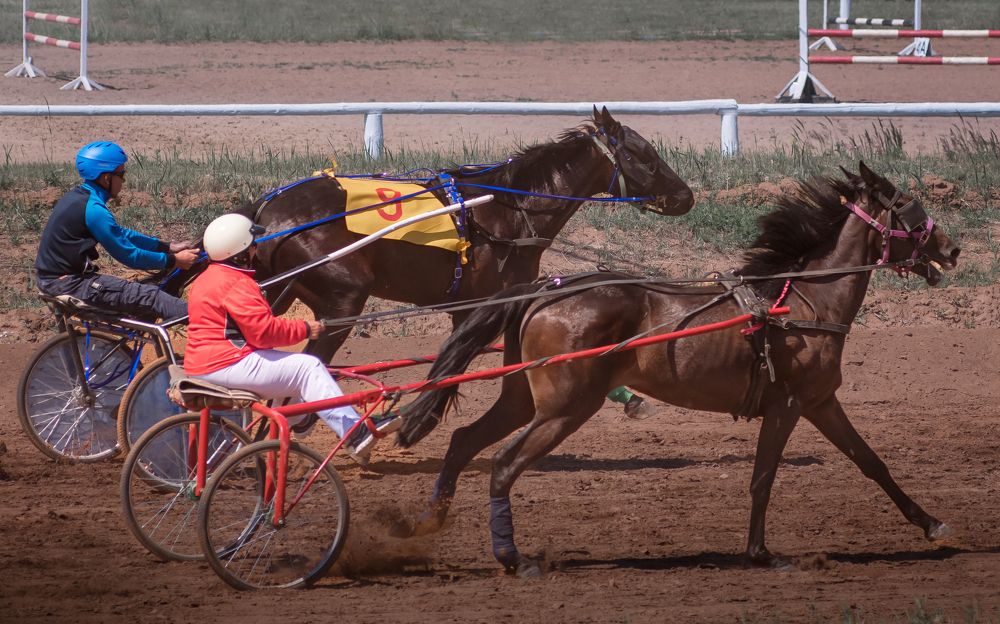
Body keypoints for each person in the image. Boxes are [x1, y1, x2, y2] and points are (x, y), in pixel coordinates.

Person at [183, 213, 398, 465]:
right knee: (309, 367)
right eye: (252, 244)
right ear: (240, 251)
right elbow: (263, 333)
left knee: (293, 366)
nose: (255, 249)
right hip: (225, 364)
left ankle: (301, 418)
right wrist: (305, 329)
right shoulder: (238, 284)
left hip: (205, 363)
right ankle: (354, 433)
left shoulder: (207, 278)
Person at [35, 141, 199, 321]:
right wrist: (174, 261)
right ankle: (212, 324)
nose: (123, 180)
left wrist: (167, 247)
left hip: (55, 281)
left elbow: (121, 234)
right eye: (122, 174)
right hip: (68, 284)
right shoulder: (94, 209)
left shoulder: (78, 197)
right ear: (106, 178)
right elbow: (129, 256)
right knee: (153, 297)